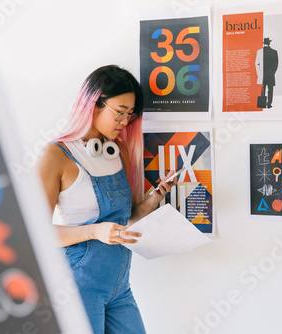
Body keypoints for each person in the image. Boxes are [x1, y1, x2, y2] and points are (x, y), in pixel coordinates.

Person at [38, 65, 177, 334]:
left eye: (130, 115)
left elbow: (125, 221)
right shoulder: (55, 156)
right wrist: (94, 231)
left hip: (119, 287)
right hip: (78, 287)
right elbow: (37, 234)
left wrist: (154, 197)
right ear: (94, 104)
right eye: (120, 112)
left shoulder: (118, 152)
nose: (125, 122)